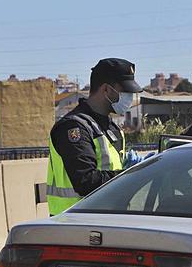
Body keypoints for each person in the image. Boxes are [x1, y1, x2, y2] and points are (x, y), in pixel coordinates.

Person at [47, 58, 144, 216]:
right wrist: (131, 175)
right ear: (106, 90)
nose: (130, 98)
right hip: (74, 224)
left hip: (108, 219)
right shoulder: (73, 128)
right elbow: (86, 182)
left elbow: (110, 167)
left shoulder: (112, 127)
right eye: (125, 92)